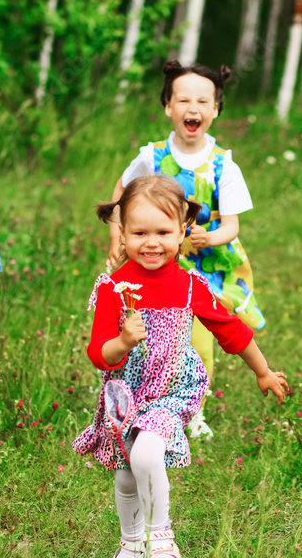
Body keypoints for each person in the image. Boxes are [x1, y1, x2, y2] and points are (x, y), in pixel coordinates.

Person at [76, 175, 288, 558]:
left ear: (183, 231)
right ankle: (131, 544)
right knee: (124, 473)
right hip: (126, 393)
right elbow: (98, 355)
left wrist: (262, 371)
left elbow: (230, 329)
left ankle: (161, 535)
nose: (151, 242)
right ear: (122, 231)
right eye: (139, 232)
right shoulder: (113, 288)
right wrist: (122, 342)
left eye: (163, 232)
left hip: (173, 389)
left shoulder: (190, 285)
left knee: (146, 455)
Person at [107, 60, 263, 441]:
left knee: (201, 344)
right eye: (183, 100)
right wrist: (117, 239)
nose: (192, 108)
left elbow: (232, 225)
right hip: (153, 260)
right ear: (168, 107)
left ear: (215, 110)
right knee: (146, 339)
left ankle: (193, 412)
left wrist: (212, 237)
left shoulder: (224, 165)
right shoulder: (153, 156)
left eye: (202, 101)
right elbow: (120, 196)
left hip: (207, 269)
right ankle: (139, 401)